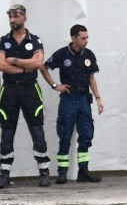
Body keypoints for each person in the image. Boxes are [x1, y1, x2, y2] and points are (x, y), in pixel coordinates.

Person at [0, 4, 50, 189]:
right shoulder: (3, 41)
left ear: (24, 17)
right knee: (7, 130)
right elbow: (0, 65)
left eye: (16, 16)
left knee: (37, 129)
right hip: (9, 89)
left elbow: (38, 62)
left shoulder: (35, 40)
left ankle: (44, 172)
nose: (12, 20)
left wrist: (16, 61)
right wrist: (26, 67)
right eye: (10, 16)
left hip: (30, 89)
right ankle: (4, 174)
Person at [43, 24, 104, 184]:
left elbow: (91, 77)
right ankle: (62, 172)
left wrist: (98, 98)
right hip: (69, 98)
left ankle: (83, 171)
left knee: (86, 135)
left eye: (87, 37)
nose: (86, 41)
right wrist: (55, 85)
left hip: (84, 98)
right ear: (73, 38)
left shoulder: (88, 54)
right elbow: (44, 67)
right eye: (83, 38)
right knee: (65, 135)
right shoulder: (63, 54)